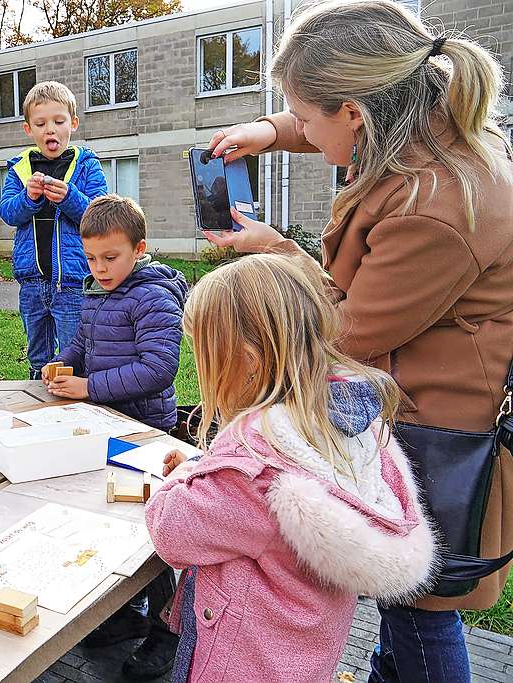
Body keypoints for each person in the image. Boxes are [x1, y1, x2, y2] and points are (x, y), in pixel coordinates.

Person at [203, 1, 513, 679]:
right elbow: (314, 119)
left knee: (420, 607)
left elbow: (347, 335)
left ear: (354, 113)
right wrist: (264, 130)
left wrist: (278, 251)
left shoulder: (436, 208)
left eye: (305, 119)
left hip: (441, 430)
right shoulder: (415, 127)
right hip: (414, 404)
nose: (300, 133)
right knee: (403, 599)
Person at [147, 253, 437, 682]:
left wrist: (183, 476)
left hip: (239, 663)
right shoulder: (341, 422)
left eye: (204, 355)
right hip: (302, 655)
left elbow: (169, 529)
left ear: (245, 360)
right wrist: (206, 465)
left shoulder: (254, 472)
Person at [45, 194, 187, 680]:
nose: (100, 269)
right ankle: (124, 614)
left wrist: (90, 387)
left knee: (150, 533)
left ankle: (168, 629)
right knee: (110, 522)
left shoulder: (154, 297)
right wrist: (64, 364)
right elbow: (83, 345)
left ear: (139, 248)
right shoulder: (96, 292)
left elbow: (159, 369)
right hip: (104, 428)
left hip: (146, 432)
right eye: (90, 258)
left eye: (111, 258)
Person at [0, 80, 108, 379]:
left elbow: (101, 214)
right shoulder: (19, 168)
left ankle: (76, 407)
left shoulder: (87, 165)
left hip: (71, 282)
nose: (51, 129)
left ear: (72, 123)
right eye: (41, 123)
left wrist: (70, 197)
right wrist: (28, 197)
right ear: (28, 129)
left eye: (59, 121)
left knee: (74, 355)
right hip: (32, 282)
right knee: (38, 356)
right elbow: (7, 211)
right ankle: (38, 404)